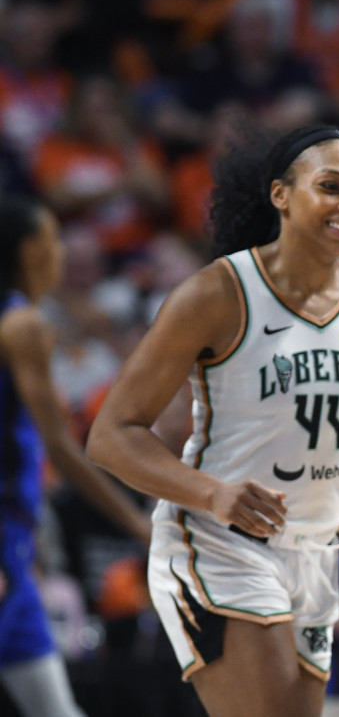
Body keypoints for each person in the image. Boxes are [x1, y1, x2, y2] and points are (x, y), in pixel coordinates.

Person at [84, 124, 339, 717]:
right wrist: (212, 494)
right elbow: (111, 436)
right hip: (219, 544)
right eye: (332, 186)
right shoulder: (218, 294)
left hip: (316, 553)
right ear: (281, 196)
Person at [0, 196, 152, 716]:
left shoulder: (24, 322)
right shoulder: (23, 328)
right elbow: (61, 449)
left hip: (17, 553)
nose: (62, 253)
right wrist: (136, 521)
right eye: (53, 241)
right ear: (29, 250)